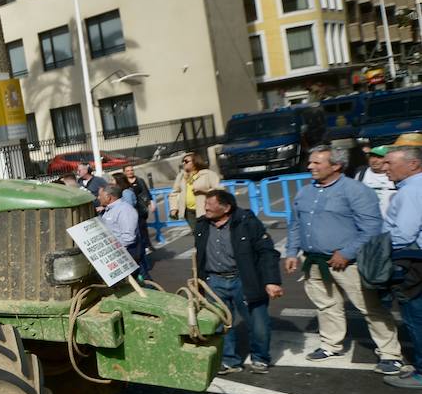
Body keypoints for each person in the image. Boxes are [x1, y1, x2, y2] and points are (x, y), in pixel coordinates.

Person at [283, 145, 403, 374]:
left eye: (317, 162)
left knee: (370, 307)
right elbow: (296, 224)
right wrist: (291, 252)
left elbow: (371, 227)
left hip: (350, 263)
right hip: (315, 261)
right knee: (326, 305)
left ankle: (390, 354)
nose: (310, 166)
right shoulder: (304, 192)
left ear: (336, 165)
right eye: (311, 162)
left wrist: (346, 253)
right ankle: (331, 345)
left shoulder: (356, 190)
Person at [196, 189, 283, 374]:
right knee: (220, 324)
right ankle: (229, 361)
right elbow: (200, 257)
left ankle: (260, 358)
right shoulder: (202, 225)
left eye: (210, 205)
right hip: (215, 281)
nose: (206, 208)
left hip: (244, 280)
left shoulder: (247, 222)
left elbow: (267, 252)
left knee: (258, 323)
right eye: (205, 204)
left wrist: (271, 281)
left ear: (226, 208)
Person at [383, 145, 422, 389]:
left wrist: (378, 245)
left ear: (413, 165)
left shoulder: (409, 192)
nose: (384, 168)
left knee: (416, 317)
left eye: (389, 163)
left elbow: (404, 234)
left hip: (414, 262)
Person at [169, 151, 220, 233]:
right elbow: (174, 193)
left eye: (186, 161)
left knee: (209, 233)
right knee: (197, 234)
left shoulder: (208, 174)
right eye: (183, 161)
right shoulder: (181, 176)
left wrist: (204, 191)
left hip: (205, 209)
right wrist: (173, 208)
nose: (183, 163)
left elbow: (220, 190)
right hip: (189, 212)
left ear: (195, 162)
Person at [97, 184, 141, 266]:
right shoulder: (109, 210)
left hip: (125, 254)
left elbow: (128, 238)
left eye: (100, 195)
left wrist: (114, 250)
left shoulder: (124, 210)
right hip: (116, 253)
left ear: (108, 197)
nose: (98, 198)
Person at [356, 145, 397, 218]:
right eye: (372, 156)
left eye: (379, 157)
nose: (374, 160)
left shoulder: (396, 175)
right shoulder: (361, 174)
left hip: (390, 221)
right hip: (367, 221)